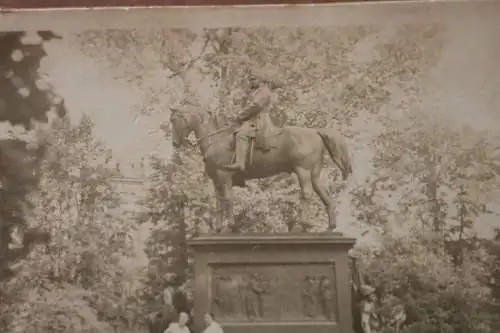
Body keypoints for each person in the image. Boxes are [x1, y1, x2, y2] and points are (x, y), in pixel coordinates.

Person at [223, 65, 282, 173]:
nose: (251, 82)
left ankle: (240, 163)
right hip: (253, 119)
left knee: (241, 135)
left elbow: (255, 106)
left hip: (260, 120)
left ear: (261, 80)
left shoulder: (263, 91)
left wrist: (240, 116)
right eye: (250, 80)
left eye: (254, 79)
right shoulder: (256, 91)